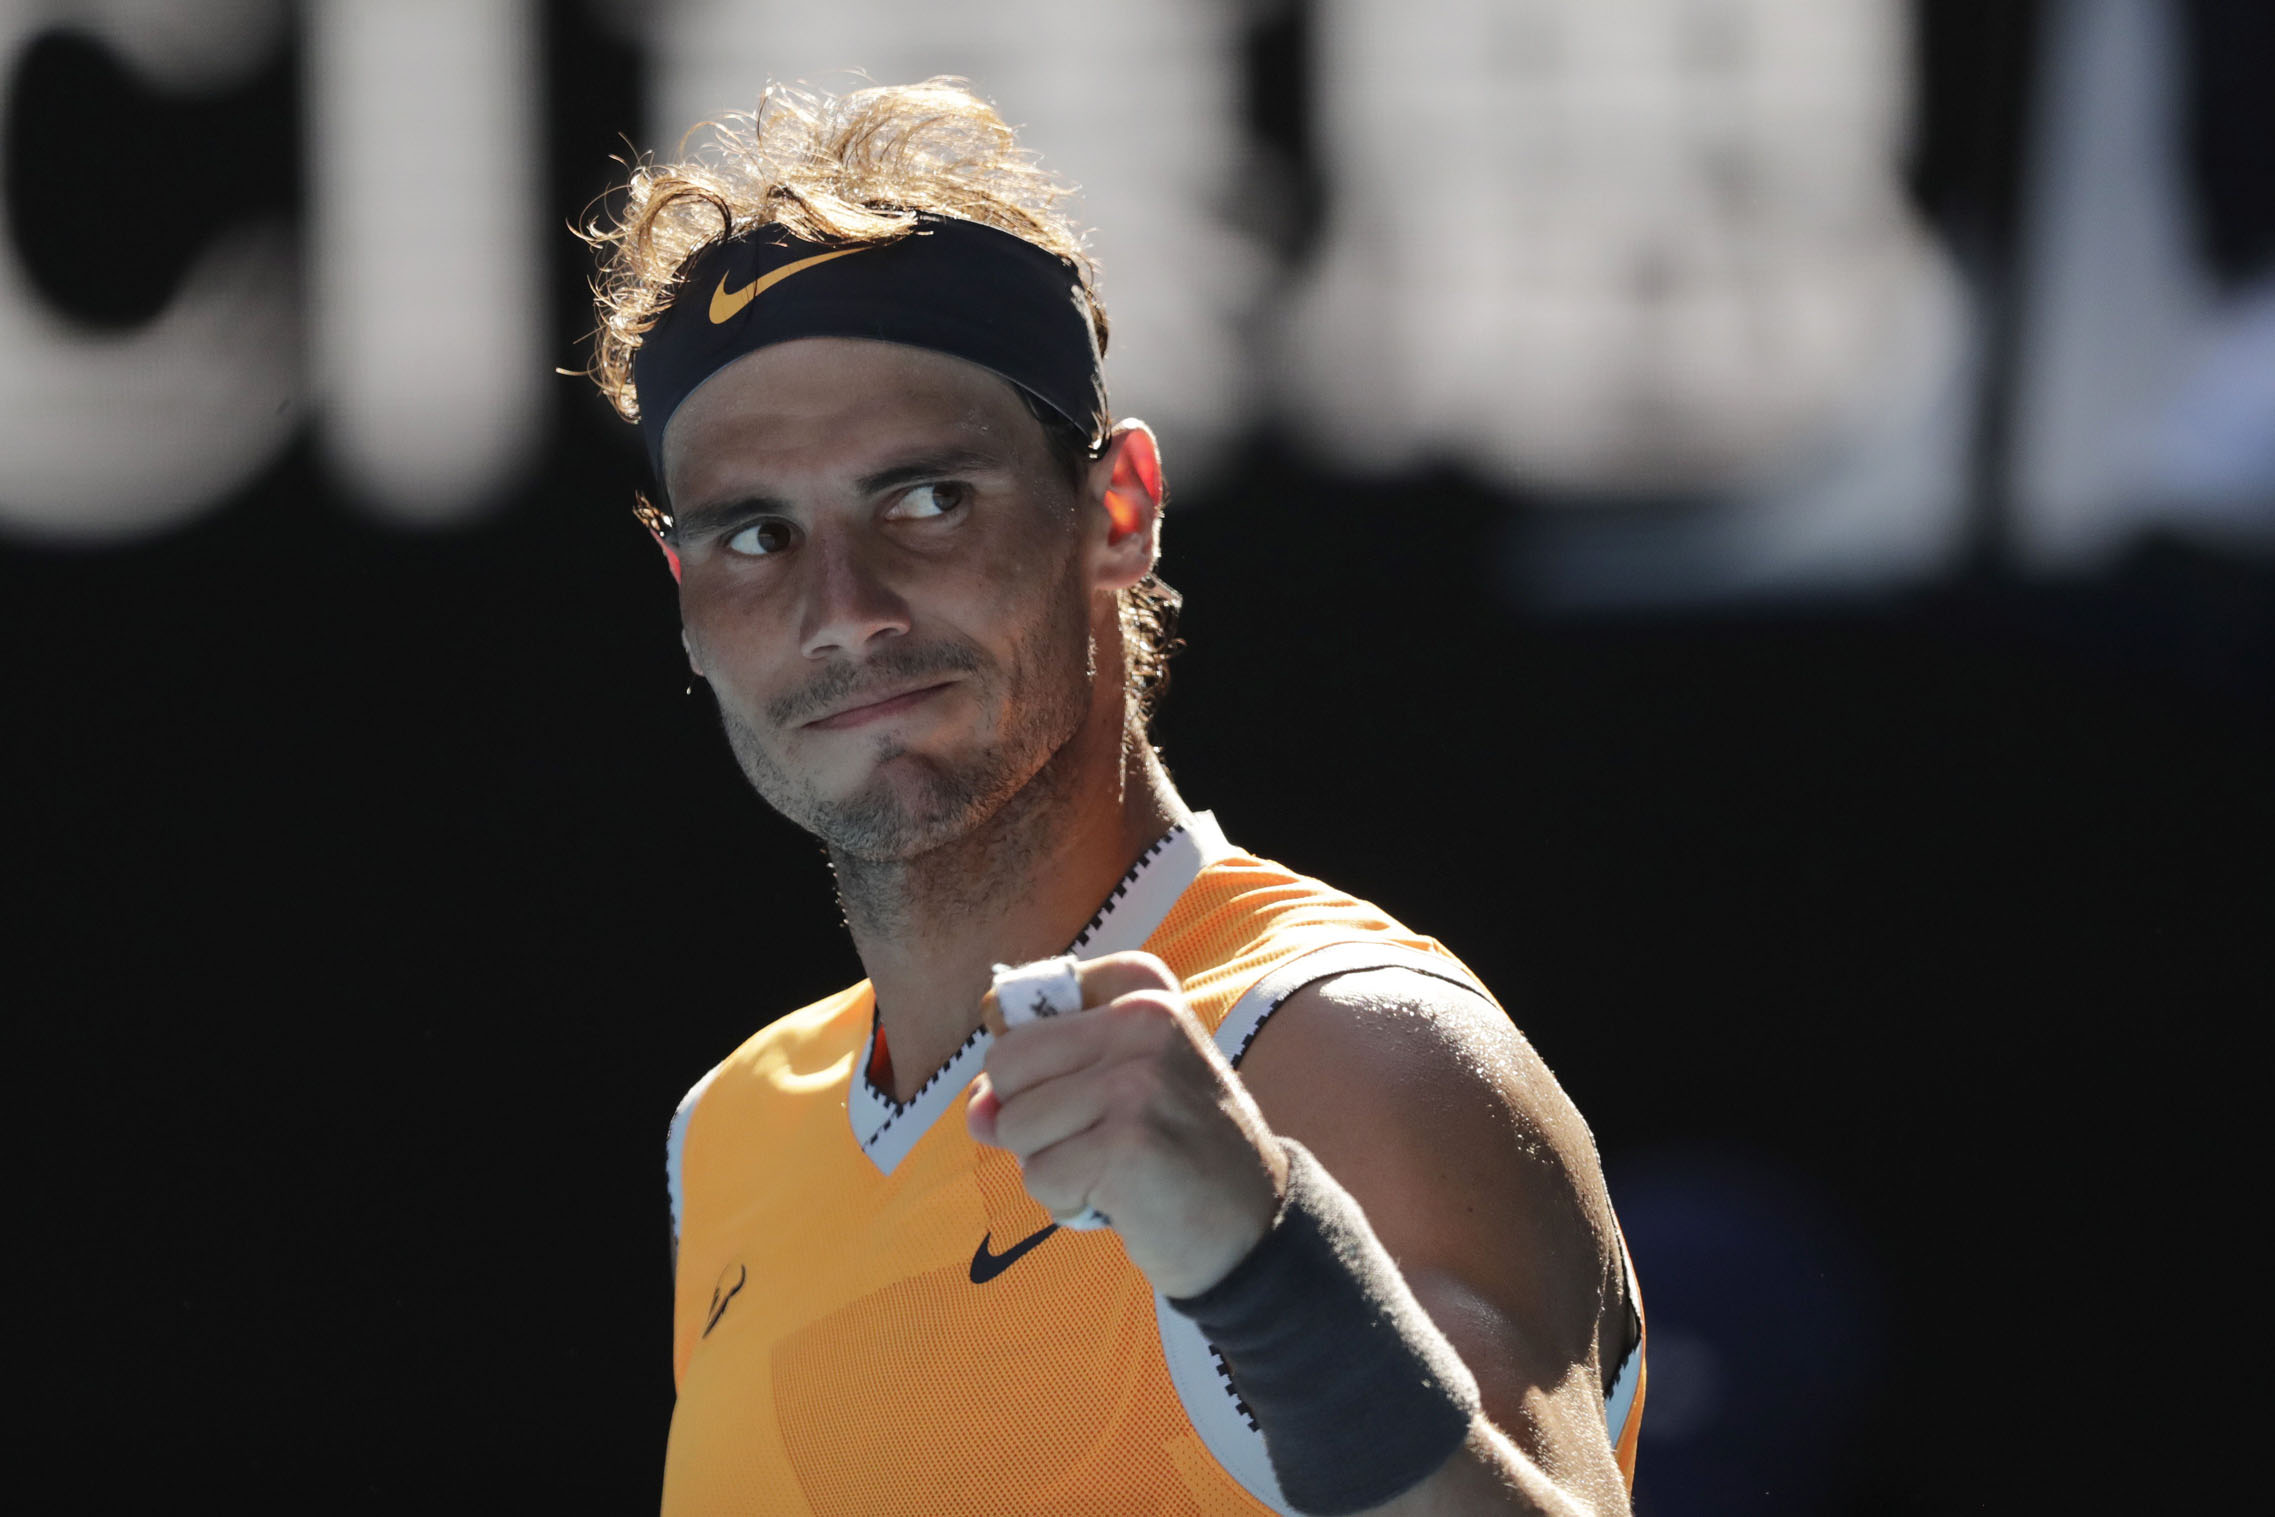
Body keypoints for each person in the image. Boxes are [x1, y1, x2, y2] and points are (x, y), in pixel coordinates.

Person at [582, 79, 1646, 1516]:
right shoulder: (730, 1133)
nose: (844, 612)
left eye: (927, 501)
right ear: (685, 601)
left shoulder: (1341, 1044)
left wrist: (1266, 1268)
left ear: (1117, 509)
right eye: (757, 536)